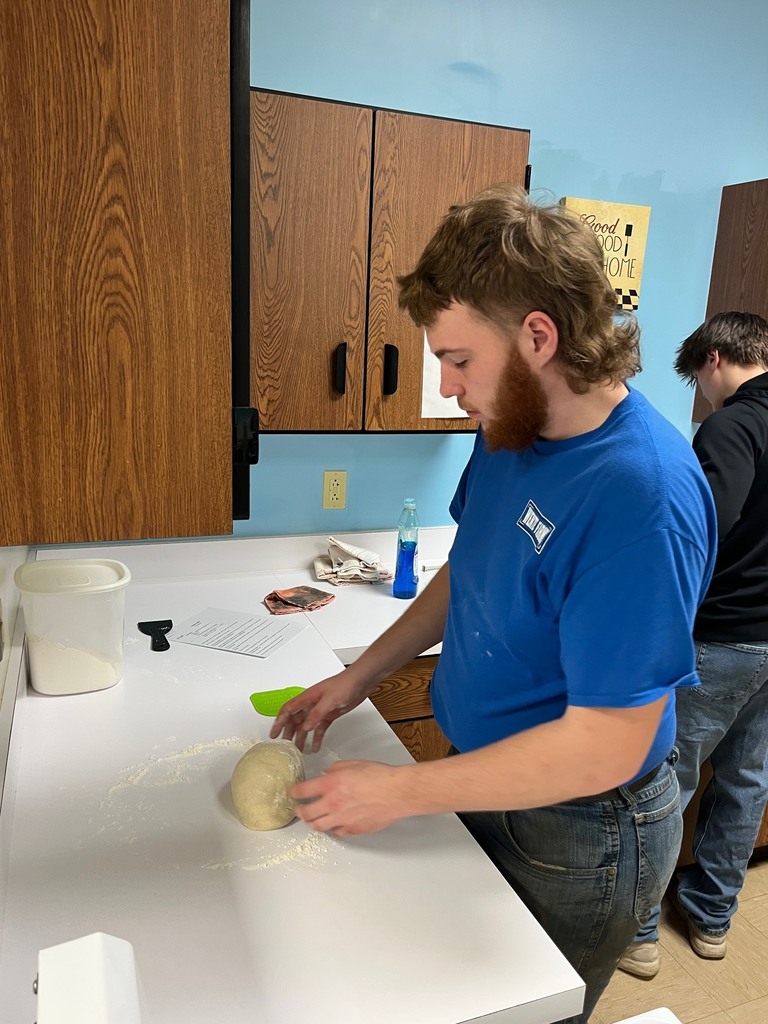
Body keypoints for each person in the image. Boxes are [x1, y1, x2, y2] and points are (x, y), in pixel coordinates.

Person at [271, 184, 717, 1023]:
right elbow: (468, 571)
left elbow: (608, 744)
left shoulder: (639, 495)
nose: (448, 387)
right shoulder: (510, 429)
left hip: (580, 831)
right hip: (483, 778)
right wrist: (360, 677)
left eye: (459, 360)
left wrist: (397, 792)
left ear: (538, 337)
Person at [619, 310, 768, 979]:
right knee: (747, 781)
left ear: (714, 359)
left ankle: (639, 934)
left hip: (723, 636)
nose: (703, 396)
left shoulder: (732, 426)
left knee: (665, 783)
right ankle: (711, 918)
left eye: (698, 382)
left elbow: (701, 529)